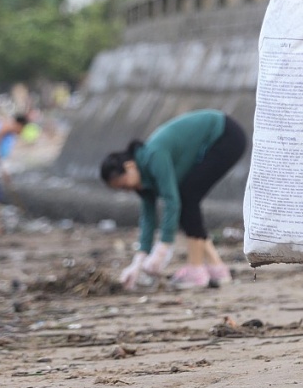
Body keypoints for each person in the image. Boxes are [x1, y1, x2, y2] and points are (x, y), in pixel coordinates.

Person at [100, 109, 247, 290]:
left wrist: (163, 248)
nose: (127, 190)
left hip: (225, 134)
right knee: (187, 200)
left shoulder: (154, 156)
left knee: (187, 197)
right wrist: (137, 263)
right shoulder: (142, 182)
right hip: (220, 138)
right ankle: (217, 268)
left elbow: (171, 201)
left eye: (123, 185)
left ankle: (196, 269)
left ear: (129, 166)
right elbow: (148, 218)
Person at [0, 114, 29, 236]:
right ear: (19, 125)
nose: (21, 132)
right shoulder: (7, 127)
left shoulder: (9, 133)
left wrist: (1, 167)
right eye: (22, 129)